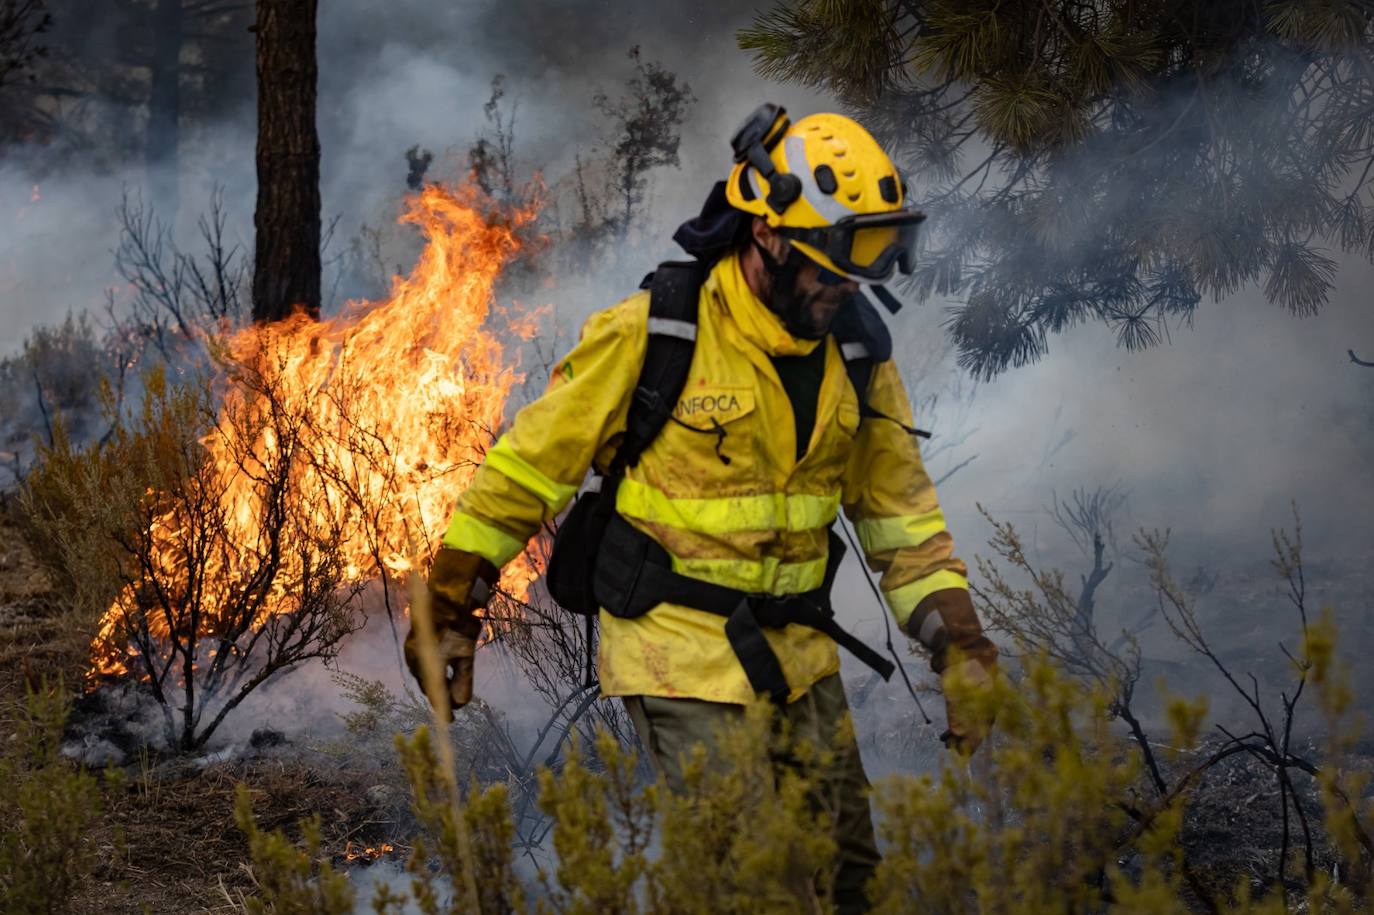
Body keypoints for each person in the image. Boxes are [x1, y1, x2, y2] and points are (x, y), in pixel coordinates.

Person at [405, 105, 998, 913]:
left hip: (799, 650)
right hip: (675, 652)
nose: (845, 290)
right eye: (830, 266)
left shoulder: (856, 354)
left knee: (853, 880)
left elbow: (902, 521)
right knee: (759, 886)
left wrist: (959, 643)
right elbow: (523, 470)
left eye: (860, 270)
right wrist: (450, 603)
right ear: (767, 236)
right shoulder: (657, 332)